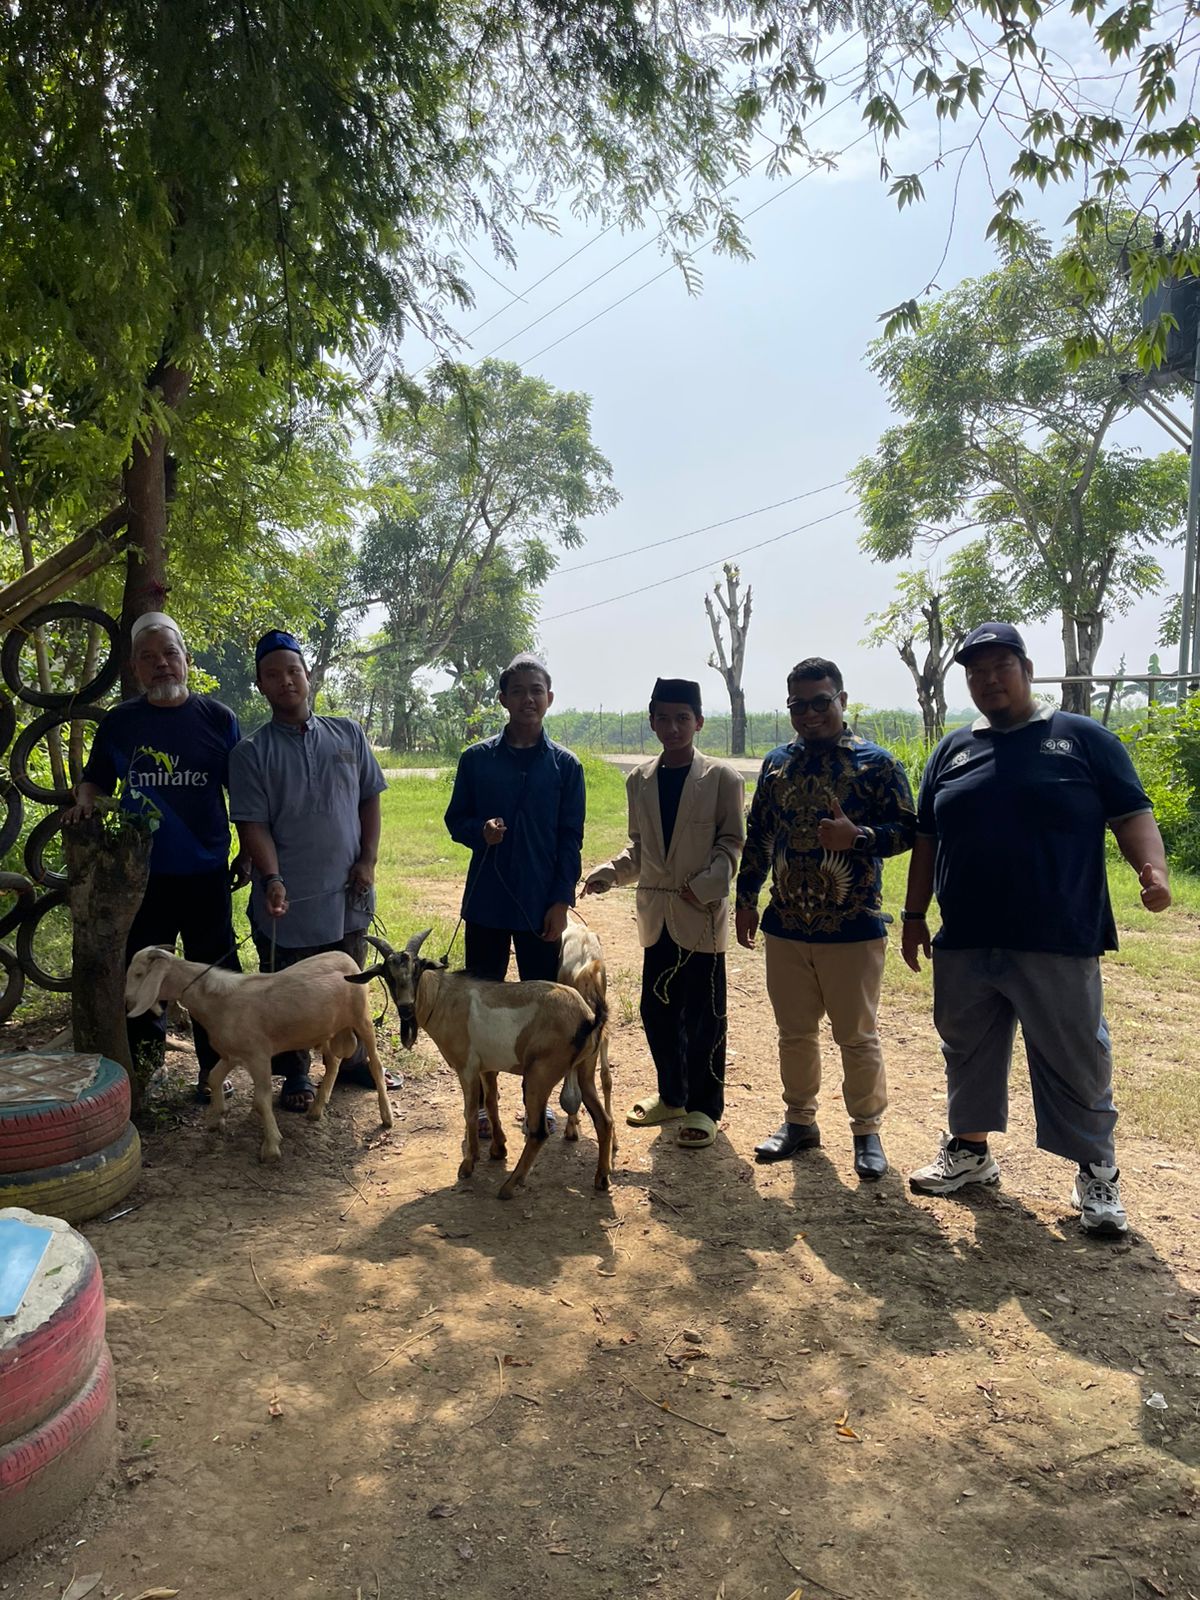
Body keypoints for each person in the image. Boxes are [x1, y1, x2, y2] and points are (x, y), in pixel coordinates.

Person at [902, 622, 1171, 1237]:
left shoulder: (1082, 739)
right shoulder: (951, 750)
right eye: (976, 671)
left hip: (1057, 933)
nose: (988, 679)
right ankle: (970, 1151)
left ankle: (1096, 1173)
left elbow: (1132, 813)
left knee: (1076, 1056)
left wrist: (1152, 870)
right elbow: (926, 839)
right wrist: (915, 915)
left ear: (1027, 670)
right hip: (967, 935)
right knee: (966, 1048)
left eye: (1000, 666)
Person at [736, 657, 916, 1180]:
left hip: (852, 925)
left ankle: (867, 1132)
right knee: (794, 1033)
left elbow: (910, 830)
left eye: (821, 702)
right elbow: (759, 834)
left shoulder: (877, 764)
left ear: (842, 700)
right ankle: (800, 1122)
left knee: (856, 1036)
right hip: (786, 924)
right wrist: (746, 898)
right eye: (798, 705)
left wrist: (859, 837)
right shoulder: (776, 765)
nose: (810, 713)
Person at [63, 611, 248, 1100]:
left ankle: (216, 1070)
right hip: (141, 876)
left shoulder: (219, 719)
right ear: (135, 668)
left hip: (207, 871)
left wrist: (249, 850)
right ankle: (146, 1070)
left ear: (186, 659)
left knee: (212, 973)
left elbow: (242, 793)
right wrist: (85, 802)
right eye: (148, 657)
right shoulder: (121, 722)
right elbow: (95, 779)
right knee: (143, 971)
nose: (161, 663)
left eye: (169, 653)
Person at [228, 629, 389, 1113]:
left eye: (293, 671)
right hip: (287, 898)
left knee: (348, 982)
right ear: (261, 685)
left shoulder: (348, 734)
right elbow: (252, 825)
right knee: (287, 989)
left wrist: (367, 860)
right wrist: (272, 878)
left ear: (308, 675)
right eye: (273, 674)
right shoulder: (251, 753)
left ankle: (353, 1062)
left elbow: (369, 799)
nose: (286, 681)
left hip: (347, 891)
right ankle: (294, 1071)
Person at [583, 678, 744, 1150]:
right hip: (657, 918)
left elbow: (731, 843)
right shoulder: (640, 780)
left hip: (701, 916)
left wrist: (706, 885)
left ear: (699, 722)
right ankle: (673, 1096)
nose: (673, 727)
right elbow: (641, 849)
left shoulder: (723, 778)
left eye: (682, 718)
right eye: (664, 718)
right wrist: (610, 873)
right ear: (652, 721)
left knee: (705, 1017)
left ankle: (704, 1108)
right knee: (657, 1011)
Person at [445, 653, 585, 983]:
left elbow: (570, 839)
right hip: (486, 902)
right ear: (503, 699)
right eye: (518, 691)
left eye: (536, 691)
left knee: (541, 998)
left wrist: (561, 901)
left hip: (541, 903)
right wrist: (481, 831)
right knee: (481, 996)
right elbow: (456, 820)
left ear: (549, 698)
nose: (528, 699)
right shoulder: (476, 759)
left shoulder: (566, 766)